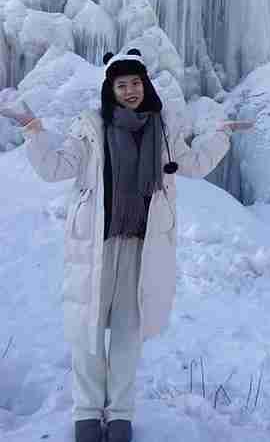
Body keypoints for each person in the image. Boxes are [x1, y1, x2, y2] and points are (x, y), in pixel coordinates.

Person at [19, 48, 245, 442]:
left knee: (127, 332)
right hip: (97, 244)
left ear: (146, 85)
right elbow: (56, 168)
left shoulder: (163, 128)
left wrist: (221, 134)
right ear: (110, 89)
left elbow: (192, 164)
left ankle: (120, 414)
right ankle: (87, 413)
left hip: (143, 244)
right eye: (121, 84)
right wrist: (34, 131)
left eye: (135, 82)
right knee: (88, 329)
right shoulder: (90, 127)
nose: (130, 90)